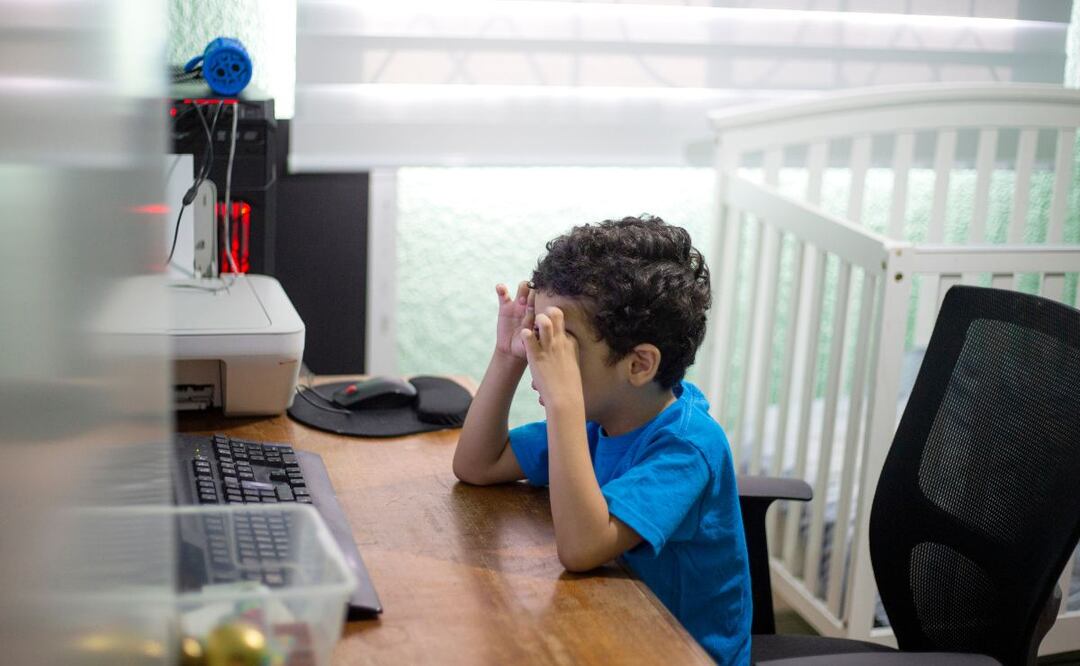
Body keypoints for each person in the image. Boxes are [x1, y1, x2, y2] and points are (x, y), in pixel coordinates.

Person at [452, 215, 751, 665]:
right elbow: (478, 465)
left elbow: (582, 548)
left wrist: (564, 403)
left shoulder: (687, 448)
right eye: (539, 333)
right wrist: (506, 355)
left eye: (561, 343)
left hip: (680, 654)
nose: (541, 353)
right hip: (611, 630)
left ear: (638, 365)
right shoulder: (600, 420)